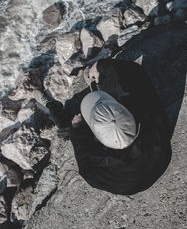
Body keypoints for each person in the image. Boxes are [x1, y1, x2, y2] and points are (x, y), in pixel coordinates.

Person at [38, 58, 171, 195]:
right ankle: (92, 84)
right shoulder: (152, 121)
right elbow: (135, 71)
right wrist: (101, 66)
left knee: (68, 128)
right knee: (123, 89)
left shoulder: (96, 173)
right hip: (159, 161)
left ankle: (51, 105)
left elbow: (84, 160)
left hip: (132, 182)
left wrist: (77, 128)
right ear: (128, 113)